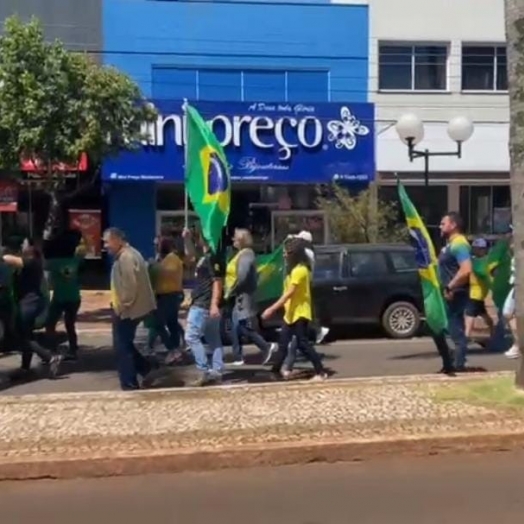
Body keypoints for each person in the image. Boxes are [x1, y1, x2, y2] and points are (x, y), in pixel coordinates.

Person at [262, 237, 327, 381]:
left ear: (295, 254)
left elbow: (289, 293)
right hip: (290, 314)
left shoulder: (301, 271)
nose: (284, 255)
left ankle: (320, 372)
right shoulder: (291, 271)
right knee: (283, 344)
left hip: (300, 313)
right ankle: (276, 371)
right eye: (284, 252)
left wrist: (271, 309)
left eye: (287, 253)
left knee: (303, 343)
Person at [104, 227, 156, 390]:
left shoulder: (126, 257)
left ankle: (129, 382)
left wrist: (121, 307)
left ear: (118, 240)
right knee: (125, 343)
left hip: (128, 310)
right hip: (133, 308)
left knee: (122, 347)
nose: (106, 246)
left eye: (107, 241)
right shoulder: (129, 254)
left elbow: (129, 286)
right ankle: (145, 367)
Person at [2, 243, 61, 378]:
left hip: (30, 303)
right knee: (26, 334)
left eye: (25, 246)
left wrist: (3, 255)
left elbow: (10, 259)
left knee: (22, 335)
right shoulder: (27, 264)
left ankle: (49, 357)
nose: (22, 247)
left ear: (31, 252)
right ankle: (25, 367)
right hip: (29, 303)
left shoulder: (32, 262)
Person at [225, 228, 277, 366]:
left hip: (244, 295)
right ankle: (238, 356)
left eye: (235, 238)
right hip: (239, 295)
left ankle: (265, 346)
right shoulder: (240, 254)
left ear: (241, 240)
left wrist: (233, 289)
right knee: (234, 325)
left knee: (243, 326)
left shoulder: (246, 254)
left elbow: (243, 276)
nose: (233, 240)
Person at [183, 228, 225, 386]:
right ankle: (217, 370)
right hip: (205, 304)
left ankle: (204, 370)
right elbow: (191, 257)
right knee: (213, 339)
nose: (197, 238)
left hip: (204, 304)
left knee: (191, 336)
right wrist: (186, 240)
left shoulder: (212, 258)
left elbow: (217, 281)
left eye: (198, 236)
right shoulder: (206, 257)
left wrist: (214, 304)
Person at [436, 212, 473, 372]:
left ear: (453, 225)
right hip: (447, 292)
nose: (440, 226)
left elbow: (466, 270)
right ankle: (451, 361)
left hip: (455, 293)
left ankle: (458, 365)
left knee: (454, 329)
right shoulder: (450, 245)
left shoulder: (459, 244)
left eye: (443, 223)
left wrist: (450, 287)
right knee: (438, 327)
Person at [45, 240, 86, 361]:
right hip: (74, 297)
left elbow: (40, 263)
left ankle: (52, 350)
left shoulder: (53, 262)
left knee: (50, 324)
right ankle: (73, 350)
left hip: (59, 298)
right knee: (70, 324)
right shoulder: (76, 260)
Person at [151, 237, 185, 365]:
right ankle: (175, 351)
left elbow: (165, 272)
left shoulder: (172, 258)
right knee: (172, 324)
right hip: (165, 295)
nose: (156, 247)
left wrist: (154, 265)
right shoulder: (164, 259)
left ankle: (172, 349)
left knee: (159, 324)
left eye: (158, 245)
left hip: (169, 295)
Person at [464, 238, 495, 341]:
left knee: (470, 314)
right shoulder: (475, 259)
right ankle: (494, 332)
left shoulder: (484, 260)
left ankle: (467, 335)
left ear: (485, 249)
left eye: (480, 248)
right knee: (483, 314)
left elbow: (481, 273)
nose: (477, 250)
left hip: (476, 292)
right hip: (477, 292)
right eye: (475, 248)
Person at [503, 252, 518, 359]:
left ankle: (518, 345)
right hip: (516, 285)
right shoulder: (516, 252)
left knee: (508, 312)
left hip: (520, 286)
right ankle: (518, 344)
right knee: (508, 313)